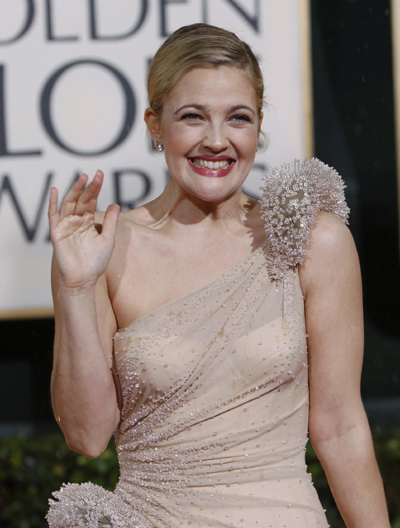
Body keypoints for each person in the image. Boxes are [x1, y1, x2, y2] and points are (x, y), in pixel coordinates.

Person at [46, 23, 390, 528]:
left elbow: (341, 427)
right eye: (192, 117)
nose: (216, 141)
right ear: (155, 124)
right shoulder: (104, 248)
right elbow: (87, 434)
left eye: (238, 118)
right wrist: (76, 287)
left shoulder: (311, 240)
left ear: (258, 126)